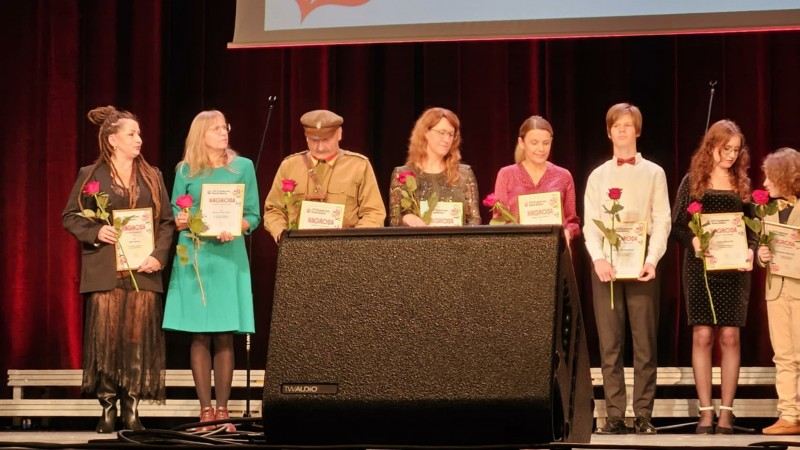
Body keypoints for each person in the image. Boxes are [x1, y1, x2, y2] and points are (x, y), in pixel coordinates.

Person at [62, 106, 173, 433]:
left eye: (139, 134)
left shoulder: (152, 175)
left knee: (136, 342)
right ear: (112, 140)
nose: (139, 140)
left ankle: (131, 408)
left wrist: (158, 256)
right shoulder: (91, 174)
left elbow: (166, 222)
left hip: (143, 269)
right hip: (106, 269)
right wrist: (96, 231)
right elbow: (70, 216)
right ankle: (108, 407)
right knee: (107, 341)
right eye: (131, 134)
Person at [163, 110, 261, 431]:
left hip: (228, 256)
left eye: (225, 127)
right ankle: (205, 411)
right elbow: (177, 212)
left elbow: (253, 215)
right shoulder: (185, 170)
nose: (223, 132)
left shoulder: (243, 167)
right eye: (216, 128)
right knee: (200, 334)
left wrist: (236, 226)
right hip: (196, 256)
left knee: (224, 334)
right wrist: (181, 219)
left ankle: (223, 411)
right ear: (201, 134)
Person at [583, 103, 671, 435]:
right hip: (606, 266)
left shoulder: (654, 173)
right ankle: (615, 415)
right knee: (610, 344)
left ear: (637, 130)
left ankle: (644, 414)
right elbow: (591, 224)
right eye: (616, 125)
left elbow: (662, 220)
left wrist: (652, 259)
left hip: (641, 265)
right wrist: (598, 259)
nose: (622, 130)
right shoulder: (598, 176)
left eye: (628, 125)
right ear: (609, 132)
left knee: (645, 343)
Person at [671, 119, 756, 435]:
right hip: (701, 268)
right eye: (726, 149)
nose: (732, 155)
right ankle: (706, 411)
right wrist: (694, 241)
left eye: (736, 150)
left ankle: (726, 413)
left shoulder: (741, 183)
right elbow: (678, 224)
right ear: (712, 147)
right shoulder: (693, 180)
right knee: (703, 335)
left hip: (733, 269)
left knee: (730, 336)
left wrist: (751, 251)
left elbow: (752, 227)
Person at [264, 109, 385, 240]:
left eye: (326, 139)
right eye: (314, 140)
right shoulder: (290, 166)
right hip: (299, 248)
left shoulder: (358, 166)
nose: (320, 147)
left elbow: (374, 213)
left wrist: (352, 243)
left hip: (345, 248)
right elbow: (273, 210)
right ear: (306, 137)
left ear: (339, 134)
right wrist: (283, 237)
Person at [756, 148, 800, 435]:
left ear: (784, 177)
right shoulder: (768, 211)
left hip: (798, 289)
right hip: (776, 291)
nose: (764, 183)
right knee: (783, 356)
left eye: (770, 177)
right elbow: (765, 248)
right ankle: (789, 415)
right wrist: (762, 256)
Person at [388, 107, 481, 226]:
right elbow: (394, 221)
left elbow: (474, 221)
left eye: (451, 134)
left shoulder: (464, 174)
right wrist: (406, 219)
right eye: (442, 132)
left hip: (457, 238)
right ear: (426, 132)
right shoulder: (403, 174)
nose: (447, 139)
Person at [492, 115, 580, 240]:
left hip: (554, 247)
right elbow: (498, 221)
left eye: (546, 143)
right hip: (518, 247)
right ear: (521, 143)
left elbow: (572, 221)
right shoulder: (506, 174)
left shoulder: (563, 176)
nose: (541, 149)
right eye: (534, 143)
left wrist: (568, 232)